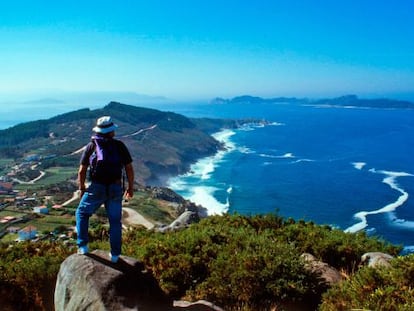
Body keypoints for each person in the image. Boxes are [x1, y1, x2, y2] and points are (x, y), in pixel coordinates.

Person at [75, 116, 134, 263]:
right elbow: (129, 168)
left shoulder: (92, 145)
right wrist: (130, 187)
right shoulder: (120, 146)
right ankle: (114, 255)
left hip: (97, 187)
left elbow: (82, 170)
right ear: (111, 131)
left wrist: (82, 188)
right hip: (115, 187)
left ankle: (83, 247)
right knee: (115, 221)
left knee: (82, 213)